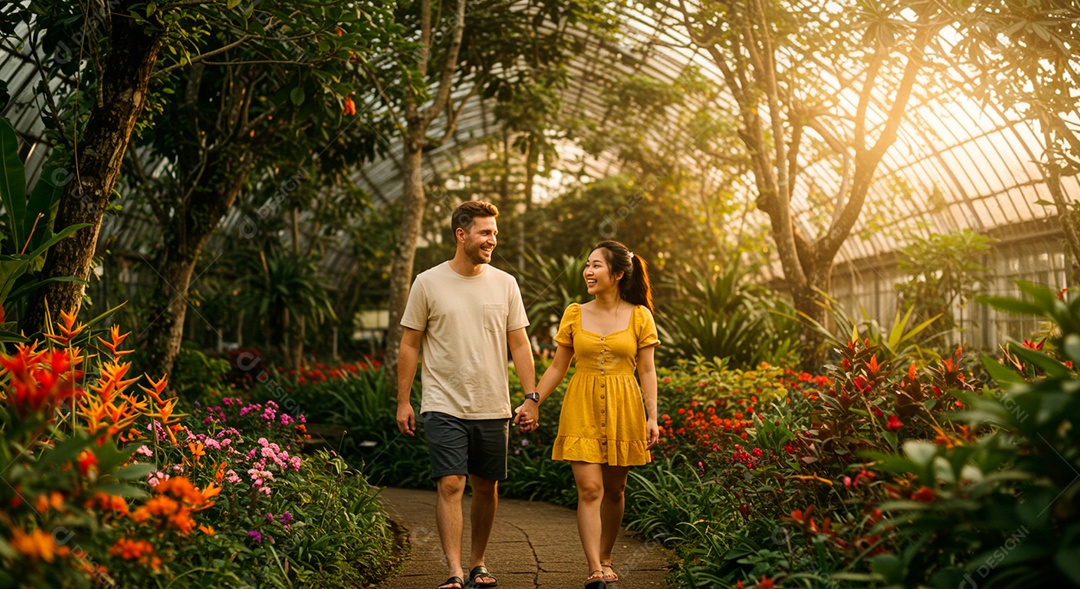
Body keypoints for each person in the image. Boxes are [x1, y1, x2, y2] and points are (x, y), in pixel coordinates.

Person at [396, 200, 537, 589]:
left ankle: (478, 564)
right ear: (461, 234)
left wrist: (531, 396)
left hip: (492, 403)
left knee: (486, 487)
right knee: (451, 484)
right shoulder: (428, 282)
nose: (493, 239)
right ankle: (454, 571)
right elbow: (410, 344)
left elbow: (519, 343)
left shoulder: (505, 283)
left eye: (495, 232)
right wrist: (404, 401)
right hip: (443, 403)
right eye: (485, 232)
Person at [514, 240, 659, 589]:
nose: (588, 272)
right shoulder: (575, 313)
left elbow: (647, 370)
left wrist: (652, 416)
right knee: (591, 489)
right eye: (587, 265)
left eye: (596, 265)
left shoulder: (640, 315)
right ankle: (595, 567)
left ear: (618, 274)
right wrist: (533, 400)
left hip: (625, 408)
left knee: (615, 491)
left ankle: (606, 557)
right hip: (581, 407)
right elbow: (558, 366)